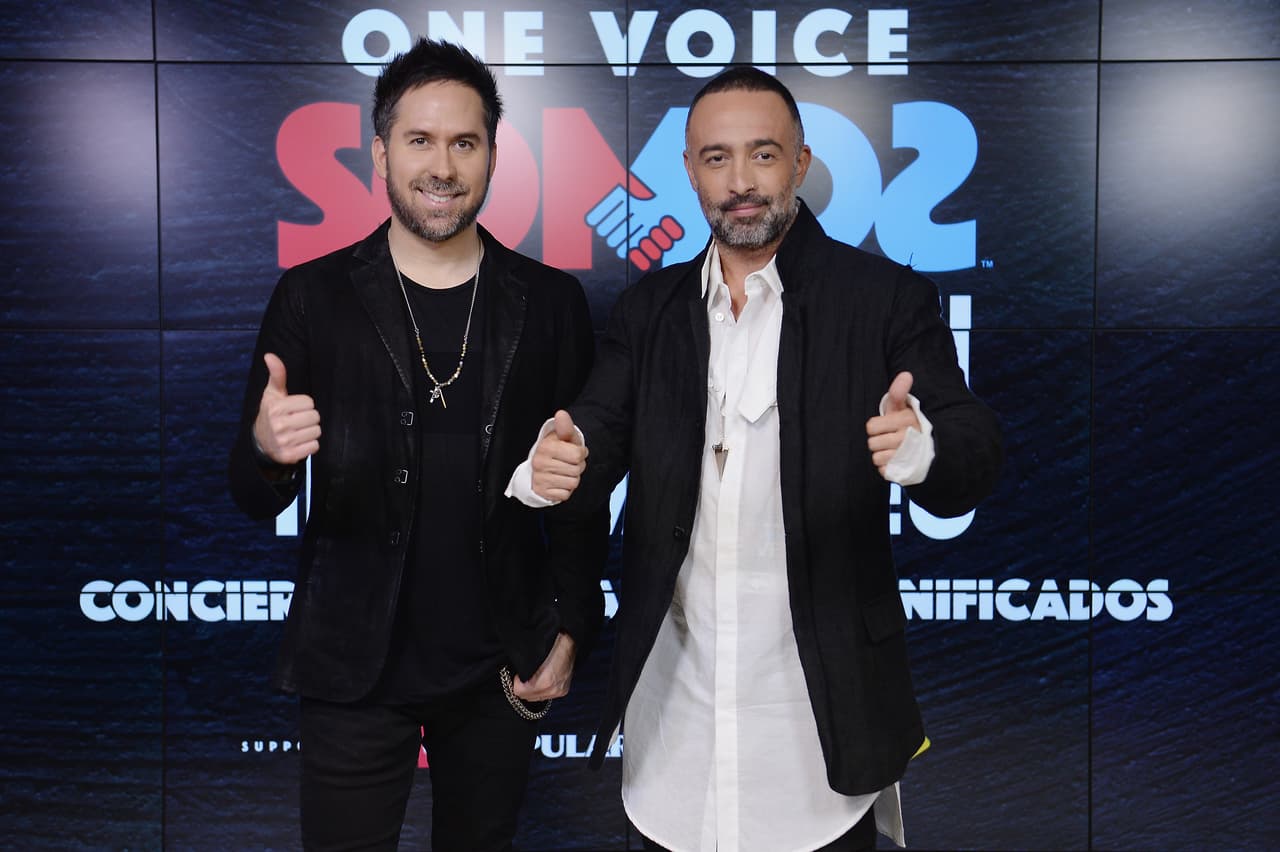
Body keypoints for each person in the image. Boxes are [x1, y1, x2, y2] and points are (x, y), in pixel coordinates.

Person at [510, 67, 1002, 851]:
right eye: (716, 158)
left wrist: (923, 452)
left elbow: (972, 451)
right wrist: (552, 463)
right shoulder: (649, 309)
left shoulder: (885, 298)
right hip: (676, 728)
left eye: (763, 155)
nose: (740, 182)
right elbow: (595, 427)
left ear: (802, 162)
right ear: (689, 169)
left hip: (819, 730)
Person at [228, 38, 608, 852]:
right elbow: (249, 492)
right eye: (420, 140)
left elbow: (582, 488)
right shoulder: (313, 295)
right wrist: (267, 451)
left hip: (495, 668)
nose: (443, 166)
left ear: (494, 157)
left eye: (464, 143)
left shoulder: (550, 303)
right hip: (351, 666)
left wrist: (572, 627)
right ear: (380, 153)